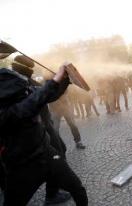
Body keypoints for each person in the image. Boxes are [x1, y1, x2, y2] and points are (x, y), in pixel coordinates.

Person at [0, 64, 88, 205]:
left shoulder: (23, 92)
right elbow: (30, 105)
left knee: (78, 189)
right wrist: (55, 80)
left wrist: (64, 79)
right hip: (21, 166)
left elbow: (47, 94)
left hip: (47, 154)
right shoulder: (6, 111)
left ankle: (52, 194)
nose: (27, 92)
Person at [11, 55, 72, 204]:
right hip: (38, 130)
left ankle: (52, 191)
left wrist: (63, 81)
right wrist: (60, 81)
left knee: (59, 152)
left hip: (43, 127)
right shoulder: (19, 84)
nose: (31, 71)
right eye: (29, 68)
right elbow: (44, 95)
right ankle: (51, 194)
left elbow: (48, 92)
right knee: (55, 157)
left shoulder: (23, 81)